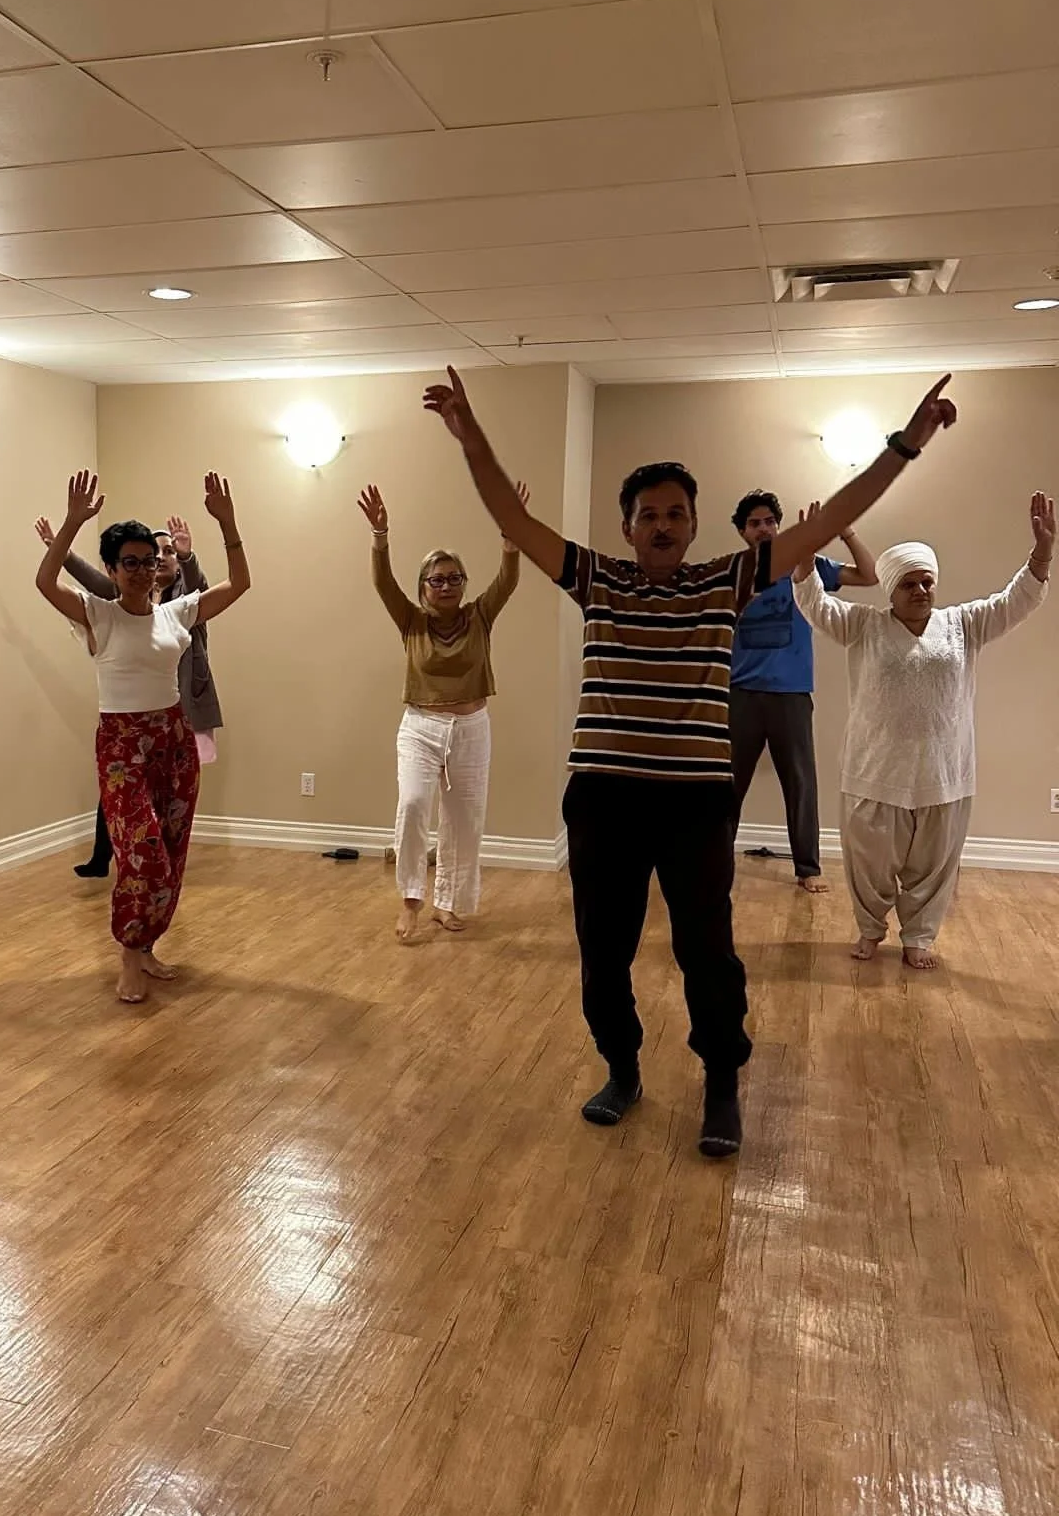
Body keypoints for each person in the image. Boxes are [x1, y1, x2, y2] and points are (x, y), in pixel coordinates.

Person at [423, 364, 959, 1158]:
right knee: (604, 952)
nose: (663, 524)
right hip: (603, 797)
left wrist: (905, 444)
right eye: (649, 514)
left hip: (696, 803)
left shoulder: (729, 579)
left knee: (706, 952)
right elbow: (510, 513)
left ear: (695, 522)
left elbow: (836, 516)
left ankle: (721, 1081)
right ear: (628, 527)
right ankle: (622, 1069)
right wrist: (470, 436)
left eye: (676, 512)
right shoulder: (596, 578)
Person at [795, 495, 1052, 968]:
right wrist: (805, 561)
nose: (920, 591)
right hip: (875, 770)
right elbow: (815, 604)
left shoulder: (963, 624)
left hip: (943, 771)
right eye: (909, 584)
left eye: (927, 582)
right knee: (869, 863)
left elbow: (1013, 603)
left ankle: (919, 937)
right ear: (890, 590)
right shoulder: (863, 625)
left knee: (933, 866)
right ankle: (870, 929)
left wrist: (1041, 554)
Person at [37, 469, 249, 1003]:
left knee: (171, 853)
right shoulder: (97, 615)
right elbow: (45, 583)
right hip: (121, 746)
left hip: (173, 740)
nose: (140, 570)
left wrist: (227, 523)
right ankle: (129, 955)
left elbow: (239, 584)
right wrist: (72, 522)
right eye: (128, 562)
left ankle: (148, 945)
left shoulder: (177, 613)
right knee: (142, 853)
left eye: (148, 561)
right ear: (111, 569)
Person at [356, 480, 526, 940]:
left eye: (454, 578)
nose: (446, 585)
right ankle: (411, 900)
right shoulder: (410, 620)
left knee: (464, 821)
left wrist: (511, 539)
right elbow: (382, 582)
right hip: (421, 727)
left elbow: (507, 581)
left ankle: (447, 903)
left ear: (463, 584)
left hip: (472, 728)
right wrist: (380, 535)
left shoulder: (479, 616)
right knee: (413, 805)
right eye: (437, 579)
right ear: (423, 587)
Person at [36, 513, 223, 878]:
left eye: (162, 555)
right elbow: (90, 580)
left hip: (175, 721)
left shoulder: (180, 604)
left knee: (165, 837)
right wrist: (64, 543)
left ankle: (143, 889)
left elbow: (205, 587)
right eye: (142, 559)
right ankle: (107, 861)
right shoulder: (113, 607)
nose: (156, 562)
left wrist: (188, 555)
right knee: (133, 823)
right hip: (124, 731)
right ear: (117, 569)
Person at [728, 490, 879, 892]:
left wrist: (844, 531)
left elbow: (869, 575)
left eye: (769, 522)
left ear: (778, 526)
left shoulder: (806, 564)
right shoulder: (733, 572)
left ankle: (807, 869)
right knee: (727, 786)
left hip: (791, 694)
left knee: (800, 783)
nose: (764, 529)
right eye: (754, 523)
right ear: (743, 531)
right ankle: (714, 864)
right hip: (741, 694)